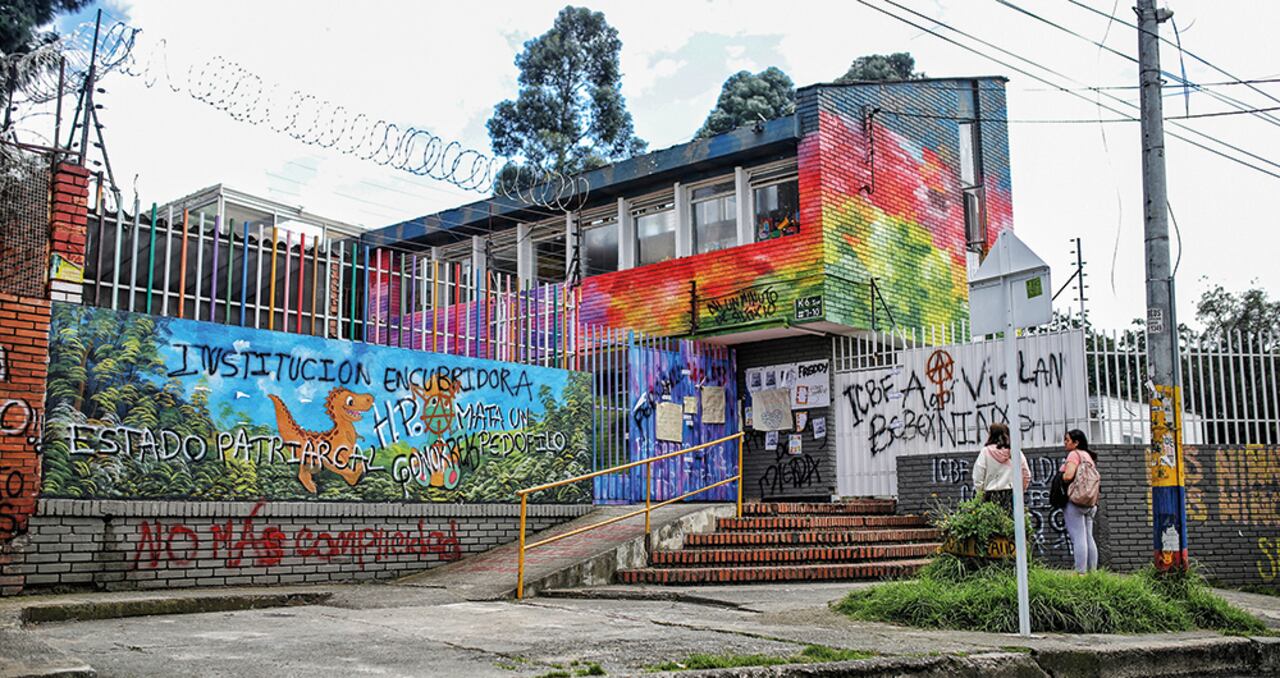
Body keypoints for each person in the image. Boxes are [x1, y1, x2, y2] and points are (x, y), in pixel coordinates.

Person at [1061, 429, 1099, 573]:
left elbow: (1068, 476)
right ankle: (1092, 571)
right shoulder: (1088, 456)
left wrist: (1062, 474)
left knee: (1078, 537)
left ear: (1076, 443)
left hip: (1076, 502)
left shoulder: (1073, 454)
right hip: (1090, 502)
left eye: (1067, 440)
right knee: (1089, 537)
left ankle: (1080, 573)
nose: (1065, 443)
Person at [971, 423, 1030, 513]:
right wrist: (1020, 491)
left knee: (992, 524)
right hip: (1011, 494)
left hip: (990, 495)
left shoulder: (985, 452)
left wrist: (981, 494)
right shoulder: (1014, 451)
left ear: (991, 434)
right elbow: (1026, 474)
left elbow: (978, 476)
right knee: (1012, 524)